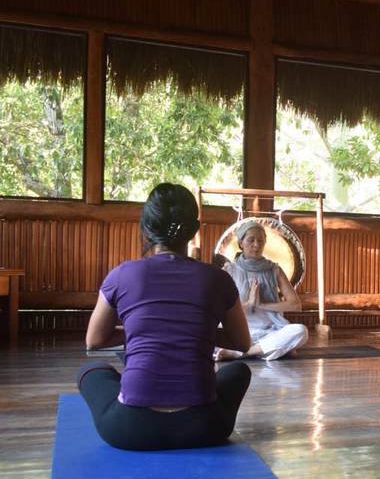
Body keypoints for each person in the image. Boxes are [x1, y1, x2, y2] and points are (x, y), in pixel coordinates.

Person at [79, 183, 253, 451]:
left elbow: (94, 340)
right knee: (239, 371)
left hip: (130, 430)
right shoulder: (218, 278)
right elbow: (242, 343)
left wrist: (146, 331)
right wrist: (194, 331)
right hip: (205, 428)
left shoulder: (122, 274)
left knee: (90, 371)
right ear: (193, 231)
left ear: (146, 228)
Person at [214, 220, 308, 361]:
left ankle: (242, 353)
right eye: (251, 240)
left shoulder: (274, 269)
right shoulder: (229, 270)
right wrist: (249, 303)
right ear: (241, 243)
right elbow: (219, 310)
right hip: (239, 331)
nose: (256, 245)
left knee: (301, 331)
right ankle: (271, 349)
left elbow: (295, 305)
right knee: (207, 334)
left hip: (271, 330)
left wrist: (261, 305)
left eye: (261, 241)